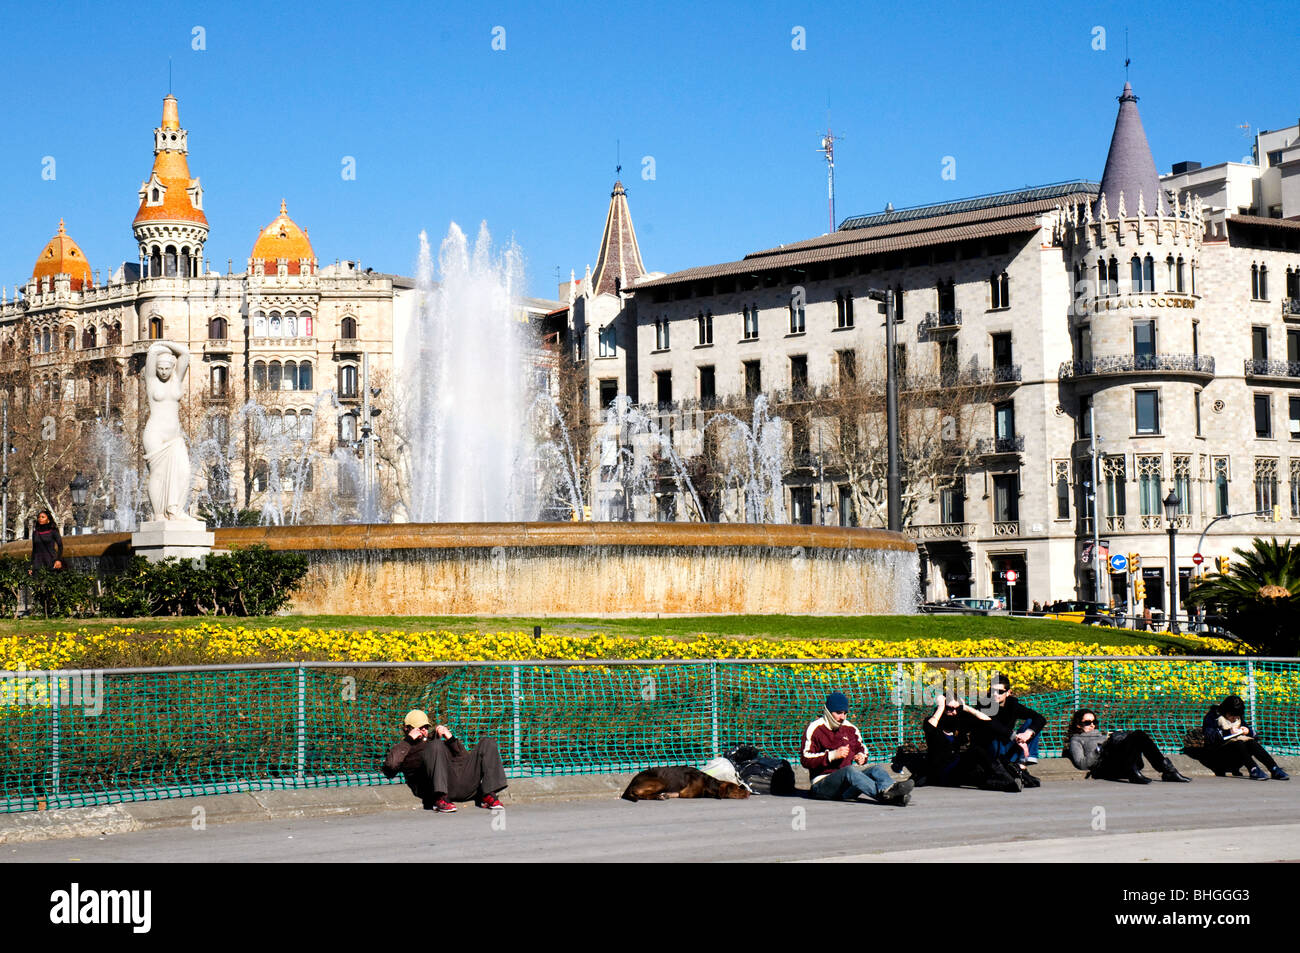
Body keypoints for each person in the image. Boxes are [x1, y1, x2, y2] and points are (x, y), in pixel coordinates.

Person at [381, 709, 509, 812]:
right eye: (419, 728)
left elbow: (464, 760)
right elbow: (390, 767)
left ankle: (487, 794)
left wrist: (451, 739)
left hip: (459, 781)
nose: (424, 730)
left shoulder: (435, 740)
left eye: (426, 727)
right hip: (435, 787)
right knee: (435, 745)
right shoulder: (404, 747)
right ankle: (440, 798)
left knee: (488, 743)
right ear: (407, 729)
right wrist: (409, 740)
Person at [801, 691, 913, 806]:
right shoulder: (815, 728)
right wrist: (832, 755)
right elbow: (805, 759)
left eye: (845, 713)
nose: (842, 717)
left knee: (876, 769)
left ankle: (891, 788)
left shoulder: (850, 728)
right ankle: (890, 797)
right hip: (822, 786)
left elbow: (862, 748)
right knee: (849, 771)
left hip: (846, 788)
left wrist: (861, 756)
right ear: (829, 712)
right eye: (839, 713)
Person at [921, 693, 1023, 792]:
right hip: (942, 769)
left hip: (957, 767)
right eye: (950, 709)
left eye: (957, 709)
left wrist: (966, 707)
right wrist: (940, 707)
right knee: (975, 761)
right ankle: (1008, 783)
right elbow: (930, 729)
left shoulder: (960, 720)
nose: (954, 712)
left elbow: (988, 722)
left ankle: (1008, 783)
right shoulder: (931, 722)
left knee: (978, 756)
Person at [1065, 708, 1191, 783]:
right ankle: (1133, 772)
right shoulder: (1076, 740)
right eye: (1087, 722)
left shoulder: (1101, 734)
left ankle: (1168, 770)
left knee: (1138, 735)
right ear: (1078, 725)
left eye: (1094, 722)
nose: (1092, 725)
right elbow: (1081, 763)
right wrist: (1099, 749)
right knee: (1133, 737)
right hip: (1105, 767)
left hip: (1123, 761)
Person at [143, 340, 192, 521]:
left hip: (175, 436)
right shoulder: (151, 381)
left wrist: (164, 344)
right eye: (160, 368)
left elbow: (185, 353)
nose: (163, 371)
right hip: (154, 433)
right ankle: (158, 514)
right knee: (158, 474)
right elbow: (152, 352)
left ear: (173, 367)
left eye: (166, 368)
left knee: (184, 472)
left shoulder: (177, 379)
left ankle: (176, 510)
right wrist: (158, 349)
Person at [972, 673, 1046, 786]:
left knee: (1032, 722)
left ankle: (1022, 765)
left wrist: (1028, 733)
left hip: (1007, 745)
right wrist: (1015, 736)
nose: (995, 695)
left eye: (1000, 692)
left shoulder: (1013, 705)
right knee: (994, 734)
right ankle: (1012, 768)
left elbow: (1040, 718)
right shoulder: (984, 704)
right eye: (992, 691)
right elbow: (992, 725)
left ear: (1008, 693)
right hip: (990, 748)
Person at [1200, 695, 1289, 781]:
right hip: (1219, 756)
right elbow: (1209, 737)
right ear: (1225, 710)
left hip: (1238, 756)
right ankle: (1253, 768)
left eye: (1236, 716)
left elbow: (1254, 735)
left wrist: (1248, 731)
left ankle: (1273, 768)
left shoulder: (1238, 718)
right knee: (1238, 743)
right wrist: (1228, 732)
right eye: (1232, 715)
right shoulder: (1212, 716)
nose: (1234, 718)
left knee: (1251, 742)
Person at [30, 508, 63, 574]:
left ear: (48, 520)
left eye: (43, 517)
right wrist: (31, 566)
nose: (40, 519)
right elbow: (34, 549)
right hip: (38, 563)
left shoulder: (53, 531)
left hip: (51, 561)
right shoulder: (35, 533)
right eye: (39, 517)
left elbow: (60, 546)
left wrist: (58, 560)